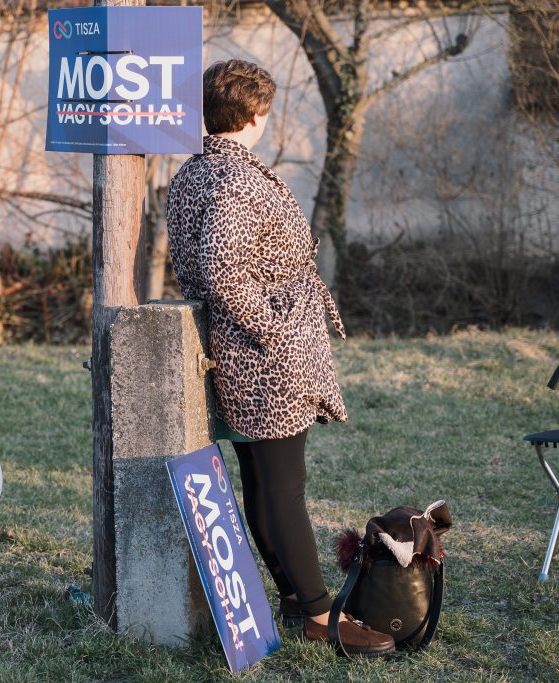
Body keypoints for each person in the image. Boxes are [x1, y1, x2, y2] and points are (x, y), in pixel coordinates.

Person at [165, 60, 395, 657]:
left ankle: (297, 596)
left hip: (238, 353)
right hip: (263, 357)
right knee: (283, 489)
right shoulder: (234, 180)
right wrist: (278, 335)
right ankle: (322, 616)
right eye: (263, 112)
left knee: (264, 484)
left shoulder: (194, 171)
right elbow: (222, 269)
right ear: (251, 116)